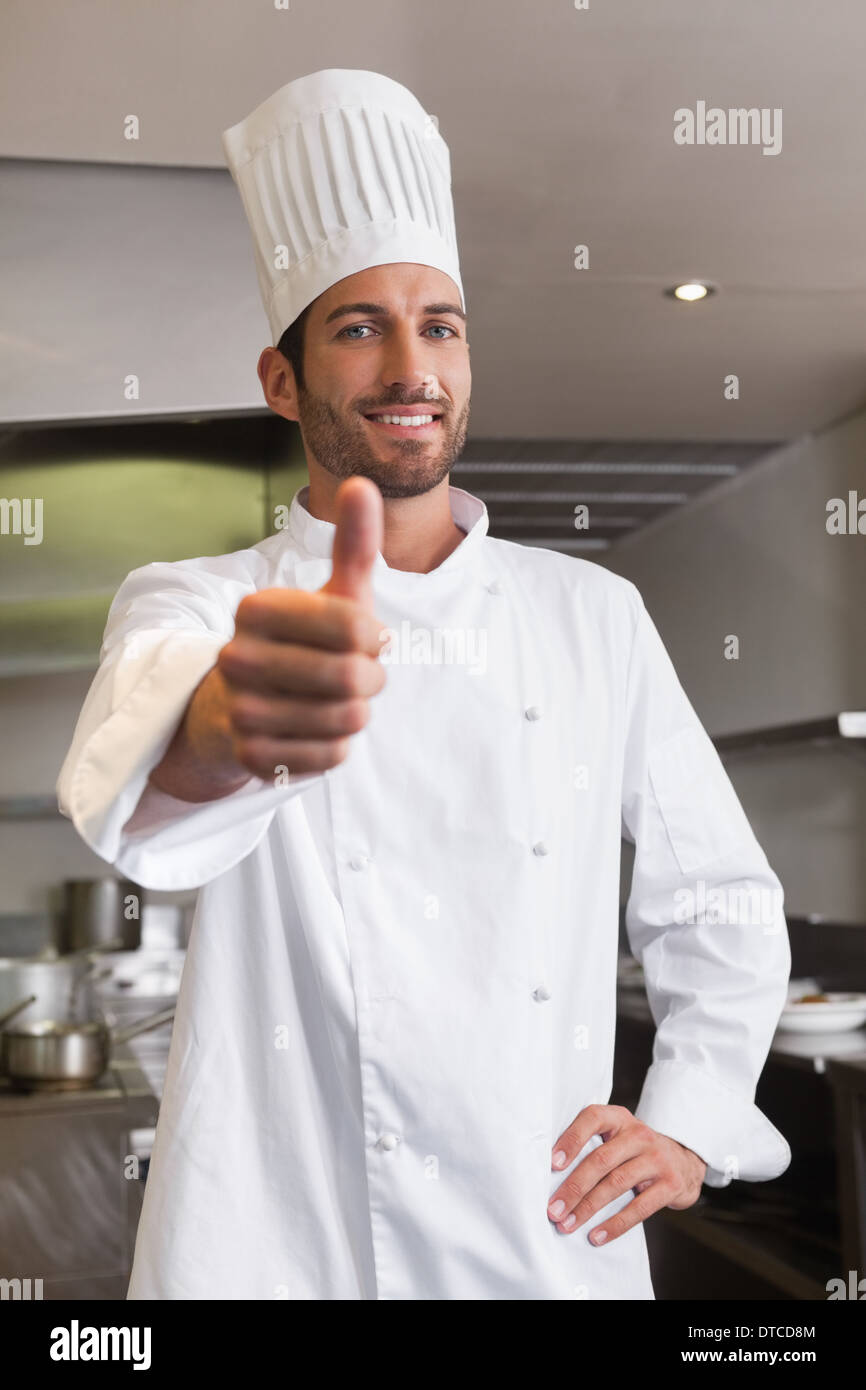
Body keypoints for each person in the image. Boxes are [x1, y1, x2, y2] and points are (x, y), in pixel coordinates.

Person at [57, 69, 791, 1300]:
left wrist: (690, 1117)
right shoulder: (194, 600)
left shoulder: (590, 615)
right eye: (358, 327)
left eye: (439, 324)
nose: (412, 365)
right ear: (282, 381)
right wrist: (237, 728)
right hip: (276, 1241)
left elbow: (713, 893)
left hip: (542, 1233)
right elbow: (149, 752)